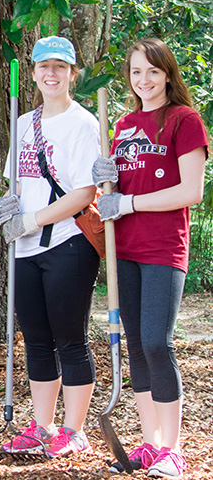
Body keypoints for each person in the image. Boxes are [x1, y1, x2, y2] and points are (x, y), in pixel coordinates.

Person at [92, 38, 207, 478]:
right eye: (136, 72)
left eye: (153, 72)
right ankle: (149, 443)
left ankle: (173, 450)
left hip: (162, 248)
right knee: (136, 346)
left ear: (168, 74)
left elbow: (190, 192)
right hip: (125, 248)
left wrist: (131, 204)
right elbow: (116, 189)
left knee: (157, 342)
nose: (144, 81)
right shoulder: (121, 125)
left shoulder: (184, 120)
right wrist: (105, 179)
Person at [0, 36, 101, 457]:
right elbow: (16, 182)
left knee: (69, 337)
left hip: (68, 243)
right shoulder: (23, 121)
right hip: (26, 247)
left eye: (60, 66)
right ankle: (42, 425)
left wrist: (31, 219)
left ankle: (74, 430)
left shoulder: (82, 123)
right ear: (32, 73)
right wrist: (8, 206)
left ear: (73, 73)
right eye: (43, 67)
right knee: (35, 338)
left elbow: (83, 192)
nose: (51, 74)